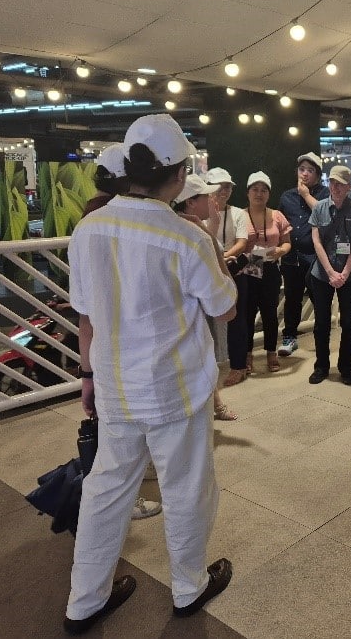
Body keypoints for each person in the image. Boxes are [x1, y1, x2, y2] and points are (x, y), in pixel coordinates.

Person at [64, 114, 238, 634]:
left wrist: (88, 375)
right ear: (179, 175)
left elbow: (85, 311)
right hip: (175, 388)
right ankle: (188, 586)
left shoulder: (88, 228)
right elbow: (225, 307)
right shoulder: (184, 236)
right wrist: (212, 245)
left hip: (117, 386)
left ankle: (83, 601)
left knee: (107, 490)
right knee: (185, 487)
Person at [80, 144, 163, 521]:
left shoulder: (90, 219)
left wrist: (87, 373)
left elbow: (86, 313)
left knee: (116, 442)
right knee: (116, 453)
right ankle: (121, 505)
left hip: (107, 353)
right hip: (130, 350)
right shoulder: (116, 219)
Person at [171, 174, 238, 421]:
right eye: (206, 196)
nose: (213, 199)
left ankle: (215, 405)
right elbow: (225, 299)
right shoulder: (193, 233)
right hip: (193, 314)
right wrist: (210, 238)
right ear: (190, 202)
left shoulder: (180, 226)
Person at [307, 165, 351, 385]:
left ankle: (346, 367)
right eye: (333, 182)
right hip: (322, 274)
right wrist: (331, 272)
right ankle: (321, 366)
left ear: (349, 186)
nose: (336, 187)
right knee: (321, 322)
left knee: (349, 323)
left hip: (349, 275)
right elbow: (317, 242)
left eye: (341, 183)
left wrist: (343, 273)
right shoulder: (320, 208)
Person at [236, 171, 292, 374]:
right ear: (248, 193)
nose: (259, 194)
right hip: (248, 267)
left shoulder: (277, 215)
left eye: (263, 190)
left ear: (269, 194)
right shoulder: (239, 215)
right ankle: (248, 354)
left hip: (270, 267)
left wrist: (280, 251)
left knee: (270, 313)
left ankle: (271, 352)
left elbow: (287, 243)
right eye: (255, 190)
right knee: (248, 313)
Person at [202, 168, 251, 388]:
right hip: (204, 272)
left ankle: (238, 366)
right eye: (220, 186)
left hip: (233, 271)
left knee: (237, 320)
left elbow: (242, 242)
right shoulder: (199, 213)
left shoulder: (238, 213)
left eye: (228, 186)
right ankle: (205, 367)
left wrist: (224, 257)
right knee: (201, 322)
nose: (224, 190)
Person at [278, 152, 329, 357]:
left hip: (316, 257)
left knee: (319, 299)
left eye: (310, 170)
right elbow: (280, 223)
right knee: (292, 298)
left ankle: (321, 338)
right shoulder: (287, 196)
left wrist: (306, 195)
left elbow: (324, 214)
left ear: (317, 174)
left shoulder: (325, 193)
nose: (305, 174)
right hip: (292, 257)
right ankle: (290, 337)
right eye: (302, 170)